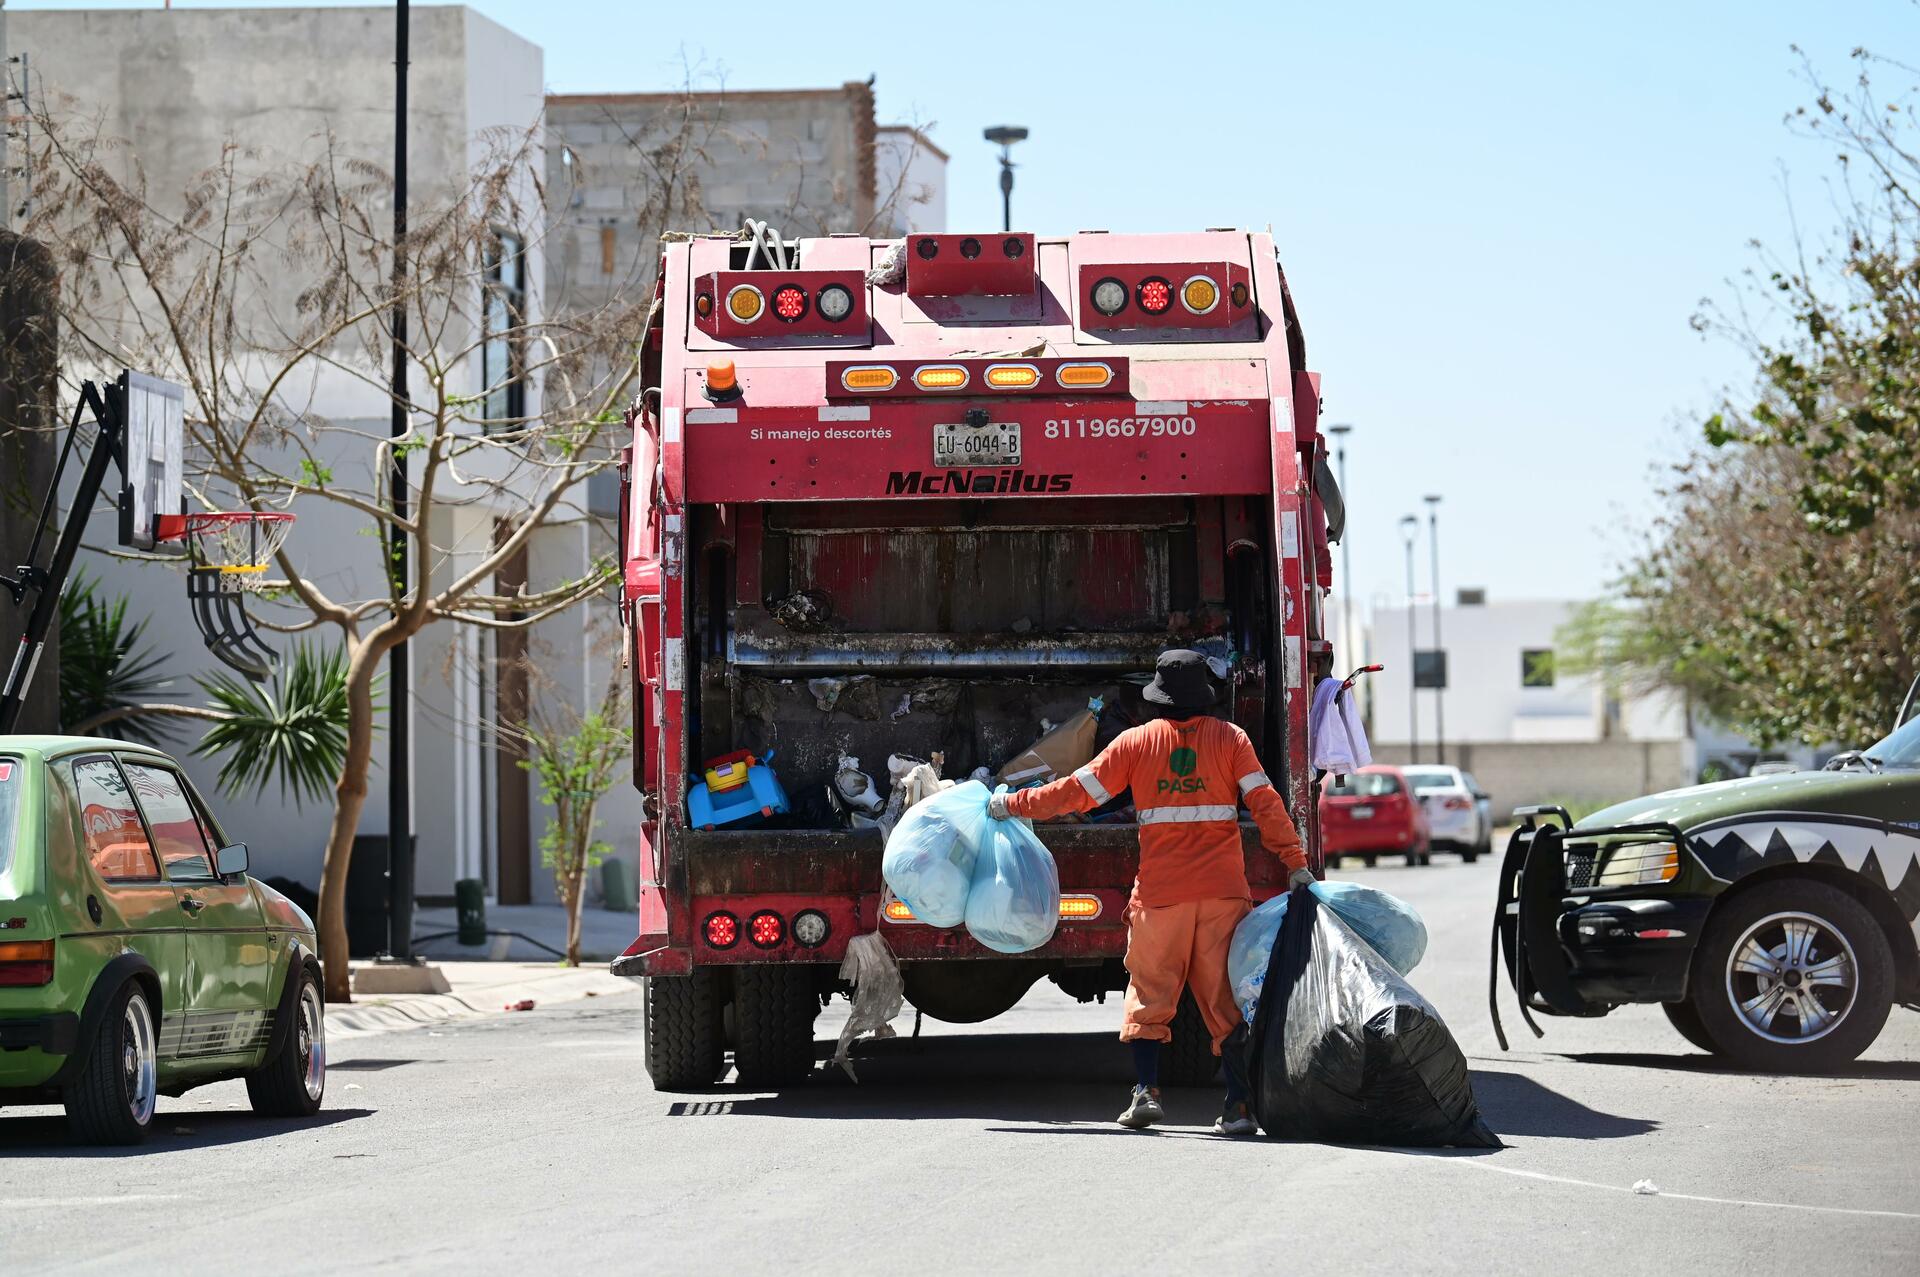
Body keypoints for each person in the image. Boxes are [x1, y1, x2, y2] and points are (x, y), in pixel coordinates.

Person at [989, 648, 1311, 1135]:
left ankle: (1145, 1093)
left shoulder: (1136, 744)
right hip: (1224, 894)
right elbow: (1265, 803)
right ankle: (1240, 1105)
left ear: (1157, 698)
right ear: (1203, 696)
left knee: (1149, 993)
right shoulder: (1232, 739)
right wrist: (1295, 862)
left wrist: (1013, 804)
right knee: (1225, 1001)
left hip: (1162, 897)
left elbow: (1076, 793)